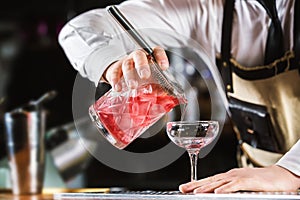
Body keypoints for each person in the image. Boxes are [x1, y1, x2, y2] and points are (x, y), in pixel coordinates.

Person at [58, 0, 300, 193]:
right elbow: (79, 29)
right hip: (251, 191)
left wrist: (290, 172)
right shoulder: (209, 9)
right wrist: (111, 63)